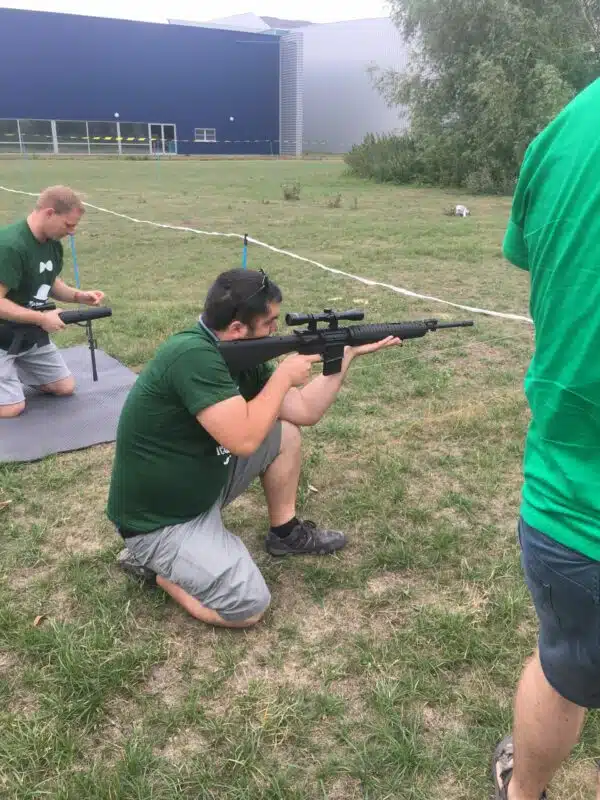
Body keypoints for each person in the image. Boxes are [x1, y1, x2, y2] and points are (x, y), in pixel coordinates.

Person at [107, 267, 400, 629]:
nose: (277, 329)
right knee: (248, 606)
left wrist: (346, 354)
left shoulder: (240, 355)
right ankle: (158, 570)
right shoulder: (191, 356)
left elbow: (303, 411)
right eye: (270, 322)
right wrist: (283, 377)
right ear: (236, 329)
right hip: (161, 521)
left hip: (200, 486)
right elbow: (243, 440)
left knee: (284, 433)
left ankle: (285, 534)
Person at [492, 77, 600, 800]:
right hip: (571, 503)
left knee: (563, 669)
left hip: (569, 507)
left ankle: (521, 791)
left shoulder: (565, 129)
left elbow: (535, 257)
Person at [0, 185, 105, 418]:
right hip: (2, 335)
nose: (72, 232)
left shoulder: (52, 244)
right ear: (49, 213)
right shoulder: (9, 246)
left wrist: (79, 296)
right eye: (68, 225)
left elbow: (49, 280)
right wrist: (41, 318)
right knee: (11, 408)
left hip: (25, 334)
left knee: (64, 387)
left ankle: (11, 369)